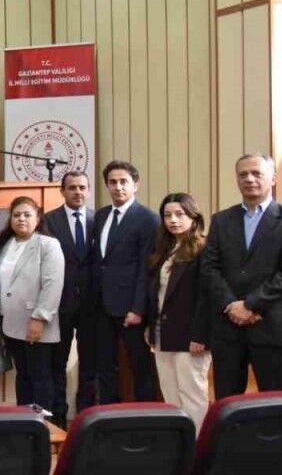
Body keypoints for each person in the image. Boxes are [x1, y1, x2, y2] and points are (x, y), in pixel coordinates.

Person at [202, 153, 282, 397]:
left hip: (271, 328)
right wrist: (231, 305)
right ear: (237, 180)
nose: (249, 179)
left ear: (273, 178)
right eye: (243, 174)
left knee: (276, 405)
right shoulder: (221, 220)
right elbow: (209, 268)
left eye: (257, 173)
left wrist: (250, 305)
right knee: (227, 405)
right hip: (227, 329)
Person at [90, 160, 160, 402]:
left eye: (123, 182)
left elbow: (146, 267)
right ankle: (108, 415)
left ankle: (144, 415)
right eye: (112, 182)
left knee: (141, 366)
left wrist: (138, 308)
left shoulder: (148, 218)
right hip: (102, 306)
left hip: (131, 308)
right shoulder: (101, 216)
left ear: (135, 185)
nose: (118, 187)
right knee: (105, 366)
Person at [147, 193, 212, 424]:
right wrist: (150, 327)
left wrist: (200, 335)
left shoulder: (204, 248)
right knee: (170, 395)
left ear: (193, 217)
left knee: (192, 395)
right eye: (167, 215)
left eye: (179, 214)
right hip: (162, 333)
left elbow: (207, 297)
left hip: (191, 336)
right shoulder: (165, 249)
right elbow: (157, 295)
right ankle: (178, 442)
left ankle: (197, 443)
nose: (173, 220)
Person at [0, 197, 64, 414]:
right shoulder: (6, 244)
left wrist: (39, 318)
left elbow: (53, 284)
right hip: (11, 323)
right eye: (16, 215)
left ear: (38, 218)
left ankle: (44, 425)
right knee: (23, 375)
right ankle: (23, 421)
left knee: (40, 376)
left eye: (27, 215)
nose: (21, 219)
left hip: (36, 324)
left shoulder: (48, 244)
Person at [41, 171, 96, 427]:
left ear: (89, 190)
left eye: (82, 187)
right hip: (59, 304)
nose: (78, 192)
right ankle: (59, 419)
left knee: (90, 364)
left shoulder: (98, 219)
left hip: (92, 304)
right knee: (57, 364)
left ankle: (86, 418)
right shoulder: (48, 221)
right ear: (62, 191)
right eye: (72, 187)